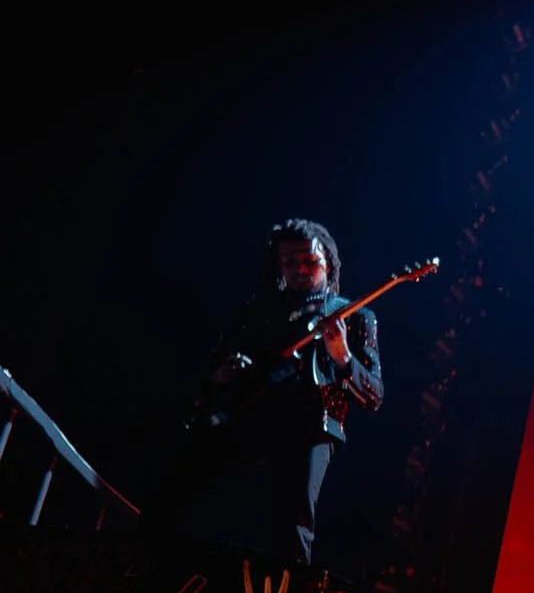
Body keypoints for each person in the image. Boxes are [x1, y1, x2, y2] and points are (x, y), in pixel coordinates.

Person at [155, 219, 383, 563]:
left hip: (310, 425)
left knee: (293, 523)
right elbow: (209, 376)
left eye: (310, 261)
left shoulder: (353, 315)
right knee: (186, 470)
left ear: (328, 262)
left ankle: (290, 590)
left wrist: (343, 356)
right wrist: (222, 375)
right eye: (290, 262)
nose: (300, 269)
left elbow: (374, 395)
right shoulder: (256, 313)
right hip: (251, 412)